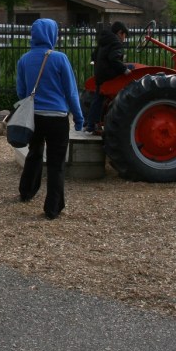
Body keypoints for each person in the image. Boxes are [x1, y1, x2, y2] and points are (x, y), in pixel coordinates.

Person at [16, 18, 85, 220]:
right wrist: (79, 118)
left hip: (34, 117)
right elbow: (71, 92)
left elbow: (21, 91)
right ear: (52, 34)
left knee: (34, 153)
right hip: (57, 117)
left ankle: (26, 191)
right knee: (56, 163)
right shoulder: (60, 58)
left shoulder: (24, 59)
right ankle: (52, 207)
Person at [84, 21, 134, 133]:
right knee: (131, 67)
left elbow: (94, 55)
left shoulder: (104, 41)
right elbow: (114, 59)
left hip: (100, 74)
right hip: (108, 75)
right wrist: (124, 70)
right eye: (124, 35)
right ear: (120, 33)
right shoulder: (115, 43)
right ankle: (92, 125)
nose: (124, 39)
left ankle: (90, 124)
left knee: (98, 98)